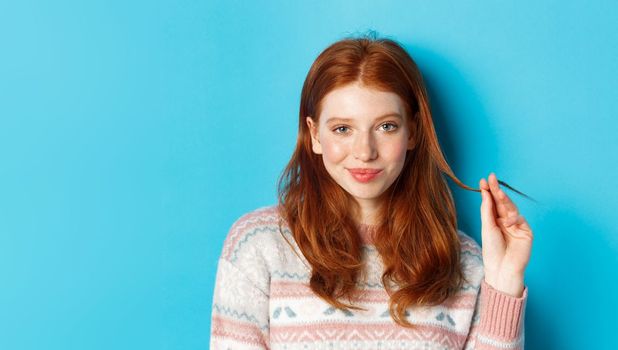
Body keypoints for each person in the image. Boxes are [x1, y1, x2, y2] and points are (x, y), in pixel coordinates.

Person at [209, 33, 534, 350]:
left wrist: (504, 283)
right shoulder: (258, 246)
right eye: (342, 129)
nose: (365, 151)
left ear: (413, 132)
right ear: (315, 135)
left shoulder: (465, 262)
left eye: (386, 126)